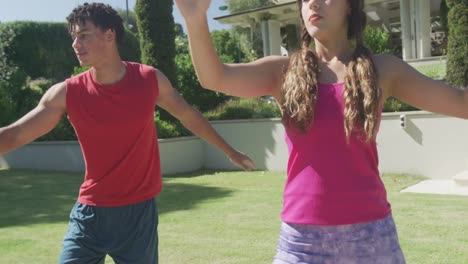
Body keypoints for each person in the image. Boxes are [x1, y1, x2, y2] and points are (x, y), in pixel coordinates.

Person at [175, 0, 468, 263]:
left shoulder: (383, 70)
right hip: (302, 243)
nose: (313, 3)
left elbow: (460, 102)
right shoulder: (282, 72)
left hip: (371, 239)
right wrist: (195, 18)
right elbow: (214, 77)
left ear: (350, 6)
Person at [0, 2, 255, 264]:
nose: (76, 44)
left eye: (84, 35)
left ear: (110, 35)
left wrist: (230, 151)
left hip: (137, 217)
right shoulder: (66, 93)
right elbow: (15, 134)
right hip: (90, 215)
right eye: (74, 37)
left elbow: (188, 115)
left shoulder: (149, 80)